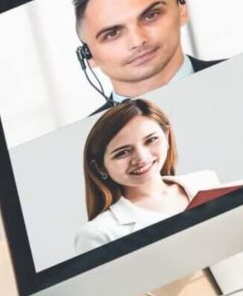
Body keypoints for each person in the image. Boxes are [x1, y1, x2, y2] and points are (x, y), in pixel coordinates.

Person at [74, 98, 219, 254]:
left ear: (167, 136)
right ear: (100, 167)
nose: (141, 158)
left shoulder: (206, 182)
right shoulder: (98, 234)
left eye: (151, 140)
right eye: (122, 152)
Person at [75, 0, 218, 115]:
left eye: (151, 16)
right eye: (113, 33)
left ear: (182, 10)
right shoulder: (80, 137)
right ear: (88, 55)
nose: (138, 41)